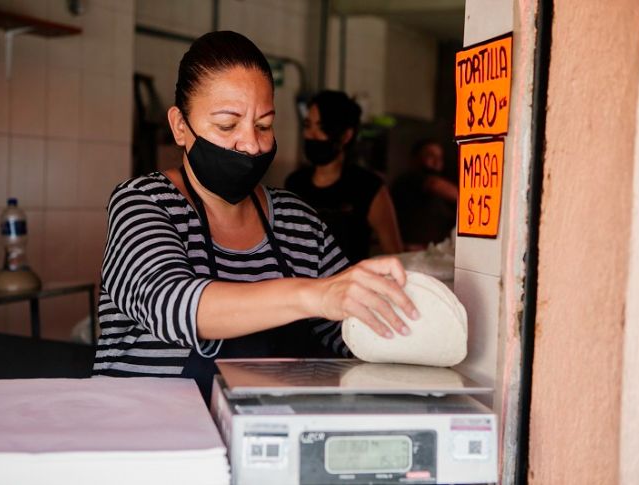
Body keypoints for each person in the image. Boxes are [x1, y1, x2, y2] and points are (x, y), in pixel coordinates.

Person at [91, 31, 418, 403]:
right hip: (156, 446)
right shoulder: (144, 203)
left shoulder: (299, 222)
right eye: (228, 125)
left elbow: (352, 329)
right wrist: (315, 294)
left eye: (263, 125)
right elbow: (172, 302)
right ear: (180, 126)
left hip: (269, 442)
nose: (250, 144)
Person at [285, 90, 403, 264]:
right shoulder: (295, 183)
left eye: (322, 128)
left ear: (346, 135)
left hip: (348, 288)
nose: (311, 135)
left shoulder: (368, 187)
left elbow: (394, 253)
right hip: (302, 287)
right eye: (308, 126)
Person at [391, 138, 459, 250]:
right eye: (430, 156)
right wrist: (474, 199)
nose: (437, 161)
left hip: (430, 250)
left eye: (440, 157)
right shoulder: (409, 179)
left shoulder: (437, 186)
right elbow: (434, 184)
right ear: (415, 158)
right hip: (411, 251)